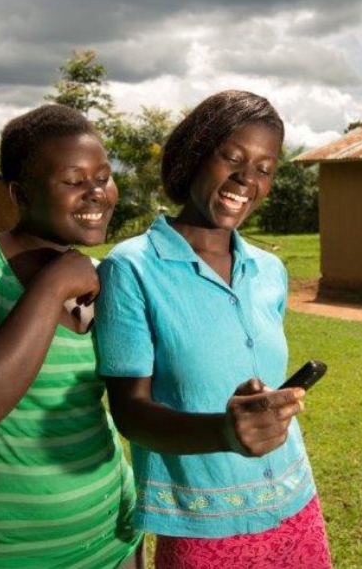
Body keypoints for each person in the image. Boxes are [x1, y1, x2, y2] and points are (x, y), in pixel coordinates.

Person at [94, 90, 332, 568]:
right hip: (203, 525)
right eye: (233, 158)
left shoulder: (269, 271)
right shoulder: (132, 268)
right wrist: (223, 432)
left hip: (295, 504)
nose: (247, 179)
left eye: (264, 168)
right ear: (196, 154)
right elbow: (130, 413)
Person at [0, 104, 143, 569]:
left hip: (117, 533)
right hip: (20, 555)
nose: (97, 193)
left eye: (103, 177)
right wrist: (51, 287)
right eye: (74, 181)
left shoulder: (99, 278)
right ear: (20, 193)